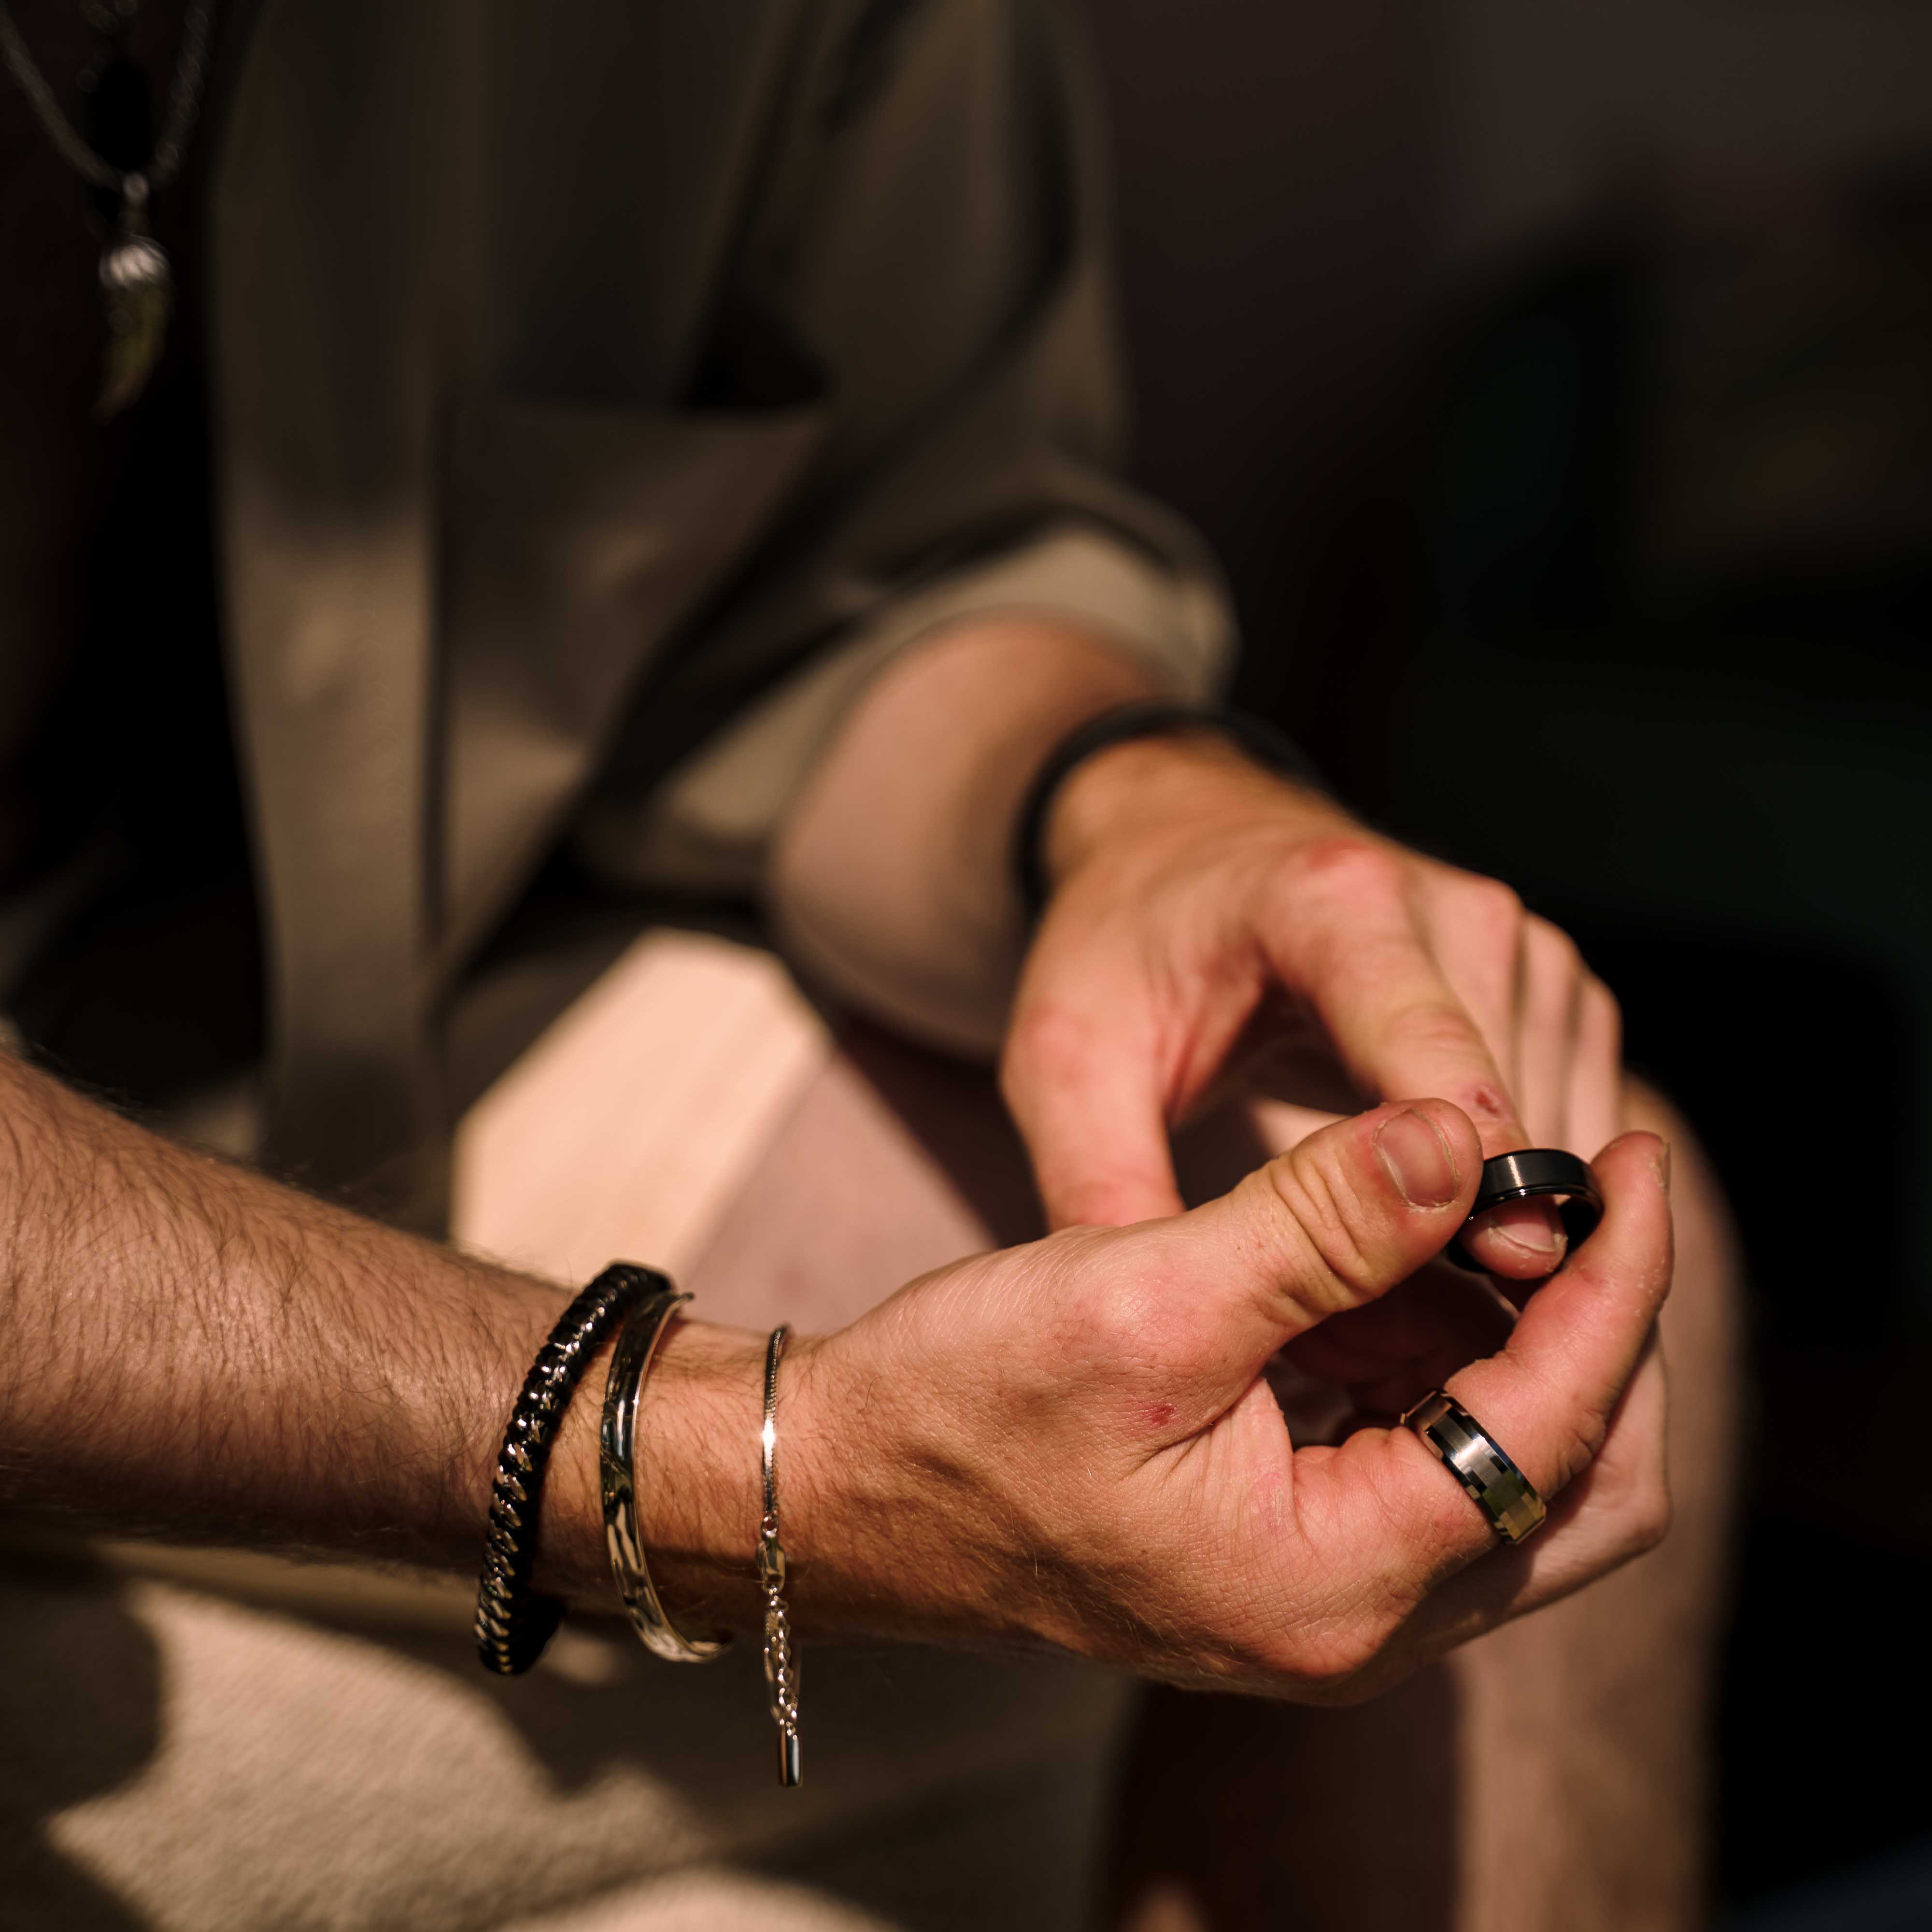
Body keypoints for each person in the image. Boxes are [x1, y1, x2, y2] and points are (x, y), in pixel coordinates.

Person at [0, 2, 1737, 1928]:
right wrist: (754, 1468)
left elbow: (889, 563)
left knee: (1531, 1293)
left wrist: (1119, 804)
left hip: (362, 1023)